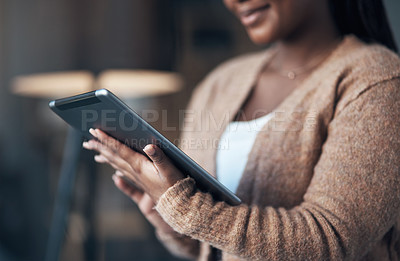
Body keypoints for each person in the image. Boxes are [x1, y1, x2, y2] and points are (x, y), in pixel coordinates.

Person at [83, 0, 400, 260]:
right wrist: (164, 213)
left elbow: (331, 241)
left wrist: (184, 206)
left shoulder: (376, 79)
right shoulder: (220, 83)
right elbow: (213, 244)